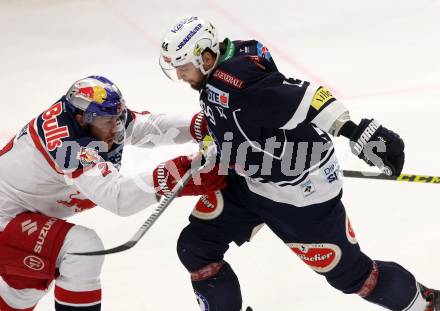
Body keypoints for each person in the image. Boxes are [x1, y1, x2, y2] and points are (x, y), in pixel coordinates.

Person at [159, 16, 439, 311]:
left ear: (206, 56)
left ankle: (425, 305)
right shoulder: (228, 63)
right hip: (253, 183)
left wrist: (355, 132)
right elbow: (245, 116)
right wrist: (221, 136)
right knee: (196, 247)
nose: (179, 75)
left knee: (356, 277)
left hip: (300, 197)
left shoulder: (238, 82)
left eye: (184, 67)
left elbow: (307, 99)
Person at [0, 75, 226, 311]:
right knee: (80, 250)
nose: (117, 128)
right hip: (5, 219)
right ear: (81, 120)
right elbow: (118, 198)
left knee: (25, 289)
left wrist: (201, 124)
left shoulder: (95, 115)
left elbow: (144, 127)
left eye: (119, 118)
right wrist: (180, 171)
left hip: (19, 215)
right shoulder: (67, 145)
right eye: (109, 121)